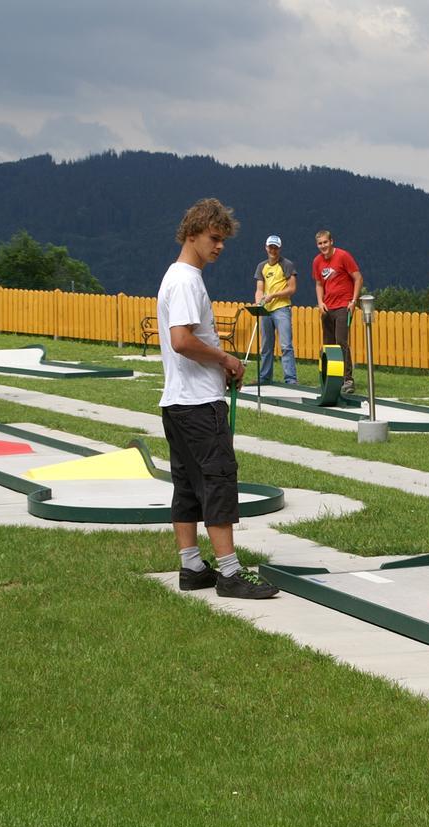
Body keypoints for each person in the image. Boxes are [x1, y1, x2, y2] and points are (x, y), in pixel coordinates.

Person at [158, 197, 278, 599]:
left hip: (177, 401)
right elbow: (182, 340)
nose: (220, 246)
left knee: (187, 485)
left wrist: (219, 367)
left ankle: (192, 566)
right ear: (191, 234)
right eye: (214, 238)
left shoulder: (174, 276)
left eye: (223, 239)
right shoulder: (188, 279)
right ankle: (229, 573)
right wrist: (226, 358)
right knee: (218, 481)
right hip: (198, 404)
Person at [312, 229, 363, 395]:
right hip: (328, 307)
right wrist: (320, 302)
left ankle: (348, 379)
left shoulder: (343, 256)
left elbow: (358, 277)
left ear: (331, 241)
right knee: (328, 344)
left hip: (344, 306)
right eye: (320, 243)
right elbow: (319, 284)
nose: (323, 246)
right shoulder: (317, 261)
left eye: (325, 242)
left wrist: (354, 301)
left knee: (341, 342)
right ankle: (330, 378)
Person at [253, 234, 297, 385]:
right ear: (266, 247)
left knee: (286, 345)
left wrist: (274, 295)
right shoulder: (261, 266)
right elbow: (259, 289)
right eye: (270, 247)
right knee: (266, 346)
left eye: (275, 247)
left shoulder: (287, 264)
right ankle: (264, 378)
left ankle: (290, 380)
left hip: (282, 308)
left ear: (279, 248)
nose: (273, 250)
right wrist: (258, 302)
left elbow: (292, 289)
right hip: (266, 309)